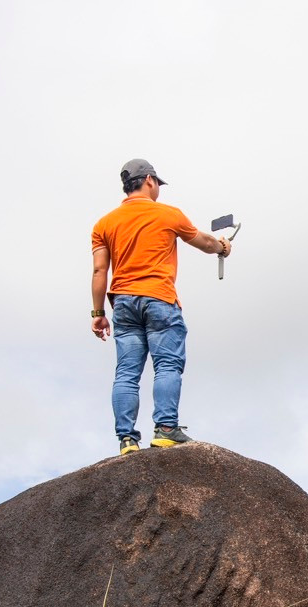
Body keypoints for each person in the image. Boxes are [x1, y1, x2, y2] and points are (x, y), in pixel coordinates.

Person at [90, 158, 232, 454]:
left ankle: (127, 440)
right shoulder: (168, 214)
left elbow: (99, 272)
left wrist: (99, 313)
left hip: (124, 304)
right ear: (150, 181)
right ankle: (166, 429)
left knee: (126, 373)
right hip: (159, 299)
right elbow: (205, 243)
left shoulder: (104, 224)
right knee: (167, 364)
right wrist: (222, 246)